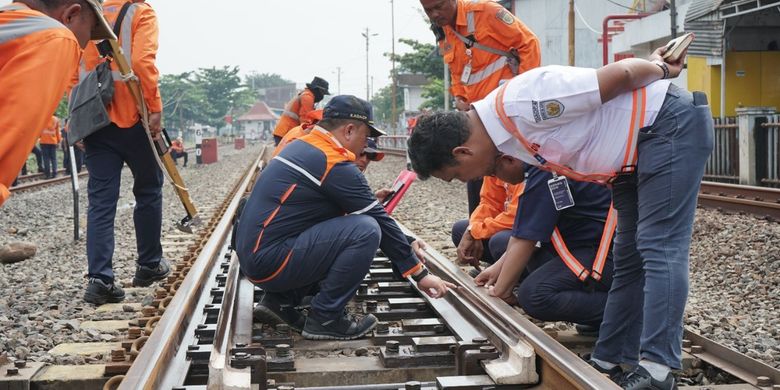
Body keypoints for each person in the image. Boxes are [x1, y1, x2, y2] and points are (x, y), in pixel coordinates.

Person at [407, 48, 713, 389]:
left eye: (456, 175)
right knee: (628, 256)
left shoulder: (525, 102)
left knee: (660, 247)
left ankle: (658, 369)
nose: (463, 182)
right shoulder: (504, 134)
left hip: (667, 125)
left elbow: (623, 76)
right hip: (629, 157)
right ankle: (610, 357)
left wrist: (659, 67)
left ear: (461, 153)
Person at [236, 95, 454, 341]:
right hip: (270, 263)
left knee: (344, 224)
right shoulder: (333, 161)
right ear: (349, 130)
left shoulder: (303, 146)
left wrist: (406, 241)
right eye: (366, 136)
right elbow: (376, 220)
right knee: (365, 230)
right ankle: (326, 317)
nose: (366, 144)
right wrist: (420, 274)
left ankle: (281, 302)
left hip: (259, 258)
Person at [80, 0, 168, 305]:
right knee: (148, 189)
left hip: (96, 122)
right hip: (135, 119)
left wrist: (77, 119)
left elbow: (71, 71)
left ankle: (100, 279)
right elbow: (143, 63)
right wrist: (154, 108)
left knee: (101, 202)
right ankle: (148, 264)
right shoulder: (140, 12)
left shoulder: (85, 10)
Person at [420, 0, 540, 217]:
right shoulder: (444, 31)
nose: (435, 14)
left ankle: (516, 229)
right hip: (478, 119)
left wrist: (522, 93)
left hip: (504, 114)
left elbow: (529, 43)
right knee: (474, 175)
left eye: (439, 6)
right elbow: (457, 71)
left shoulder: (486, 12)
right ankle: (480, 231)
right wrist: (459, 96)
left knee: (512, 172)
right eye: (429, 10)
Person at [0, 0, 115, 206]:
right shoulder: (56, 37)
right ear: (70, 15)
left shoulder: (10, 21)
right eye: (89, 32)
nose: (85, 44)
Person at [472, 166, 615, 332]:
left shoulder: (544, 171)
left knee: (535, 296)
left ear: (508, 160)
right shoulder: (546, 167)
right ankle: (597, 314)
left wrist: (501, 290)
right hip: (582, 248)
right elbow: (533, 230)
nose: (497, 179)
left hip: (608, 253)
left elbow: (527, 236)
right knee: (505, 246)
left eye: (494, 172)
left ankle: (634, 310)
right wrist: (498, 269)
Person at [451, 176, 522, 267]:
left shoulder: (524, 167)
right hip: (510, 225)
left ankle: (520, 276)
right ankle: (495, 267)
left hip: (535, 239)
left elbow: (516, 216)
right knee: (460, 230)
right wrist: (473, 229)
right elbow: (490, 203)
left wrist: (477, 231)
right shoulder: (494, 168)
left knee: (499, 242)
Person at [271, 76, 330, 145]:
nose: (322, 96)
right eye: (323, 93)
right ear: (317, 90)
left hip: (284, 131)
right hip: (286, 132)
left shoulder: (304, 94)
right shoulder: (307, 98)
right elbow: (305, 121)